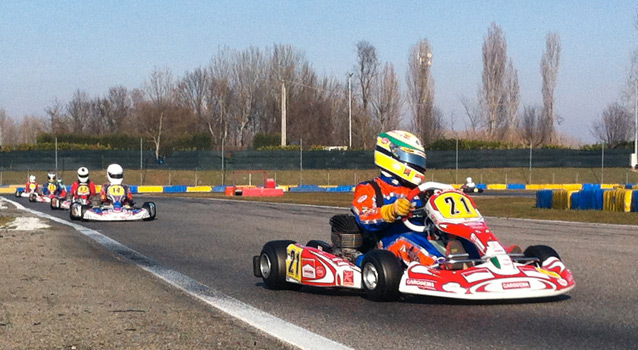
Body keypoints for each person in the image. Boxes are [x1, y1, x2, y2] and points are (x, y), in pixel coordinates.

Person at [351, 130, 463, 265]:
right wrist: (391, 211)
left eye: (419, 161)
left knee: (463, 241)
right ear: (393, 157)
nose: (418, 165)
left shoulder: (421, 191)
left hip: (426, 239)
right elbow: (363, 216)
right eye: (414, 160)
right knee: (408, 240)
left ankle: (482, 262)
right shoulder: (370, 188)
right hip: (388, 245)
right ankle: (441, 268)